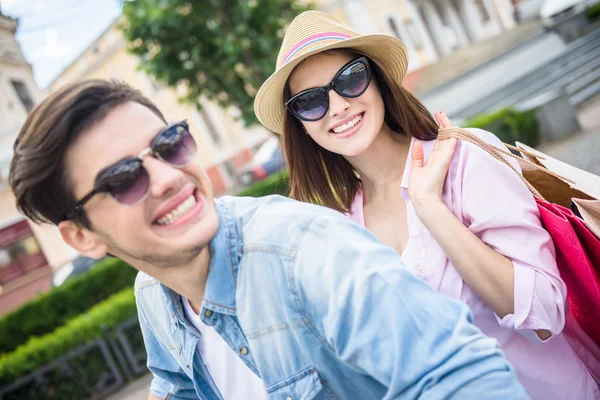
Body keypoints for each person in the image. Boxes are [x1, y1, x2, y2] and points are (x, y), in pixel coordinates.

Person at [9, 80, 530, 400]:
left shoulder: (308, 251)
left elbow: (468, 380)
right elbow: (177, 385)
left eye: (169, 145)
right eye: (124, 178)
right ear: (81, 236)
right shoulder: (154, 290)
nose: (168, 176)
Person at [253, 10, 600, 400]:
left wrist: (430, 208)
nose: (336, 106)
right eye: (310, 101)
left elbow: (545, 314)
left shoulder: (462, 158)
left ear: (378, 80)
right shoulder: (341, 229)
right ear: (299, 123)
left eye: (350, 79)